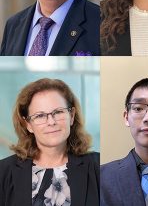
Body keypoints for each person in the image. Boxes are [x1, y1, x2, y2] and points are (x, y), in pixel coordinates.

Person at [0, 78, 99, 206]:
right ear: (28, 124)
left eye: (58, 112)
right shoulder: (3, 171)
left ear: (72, 116)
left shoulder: (99, 167)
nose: (51, 122)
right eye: (40, 115)